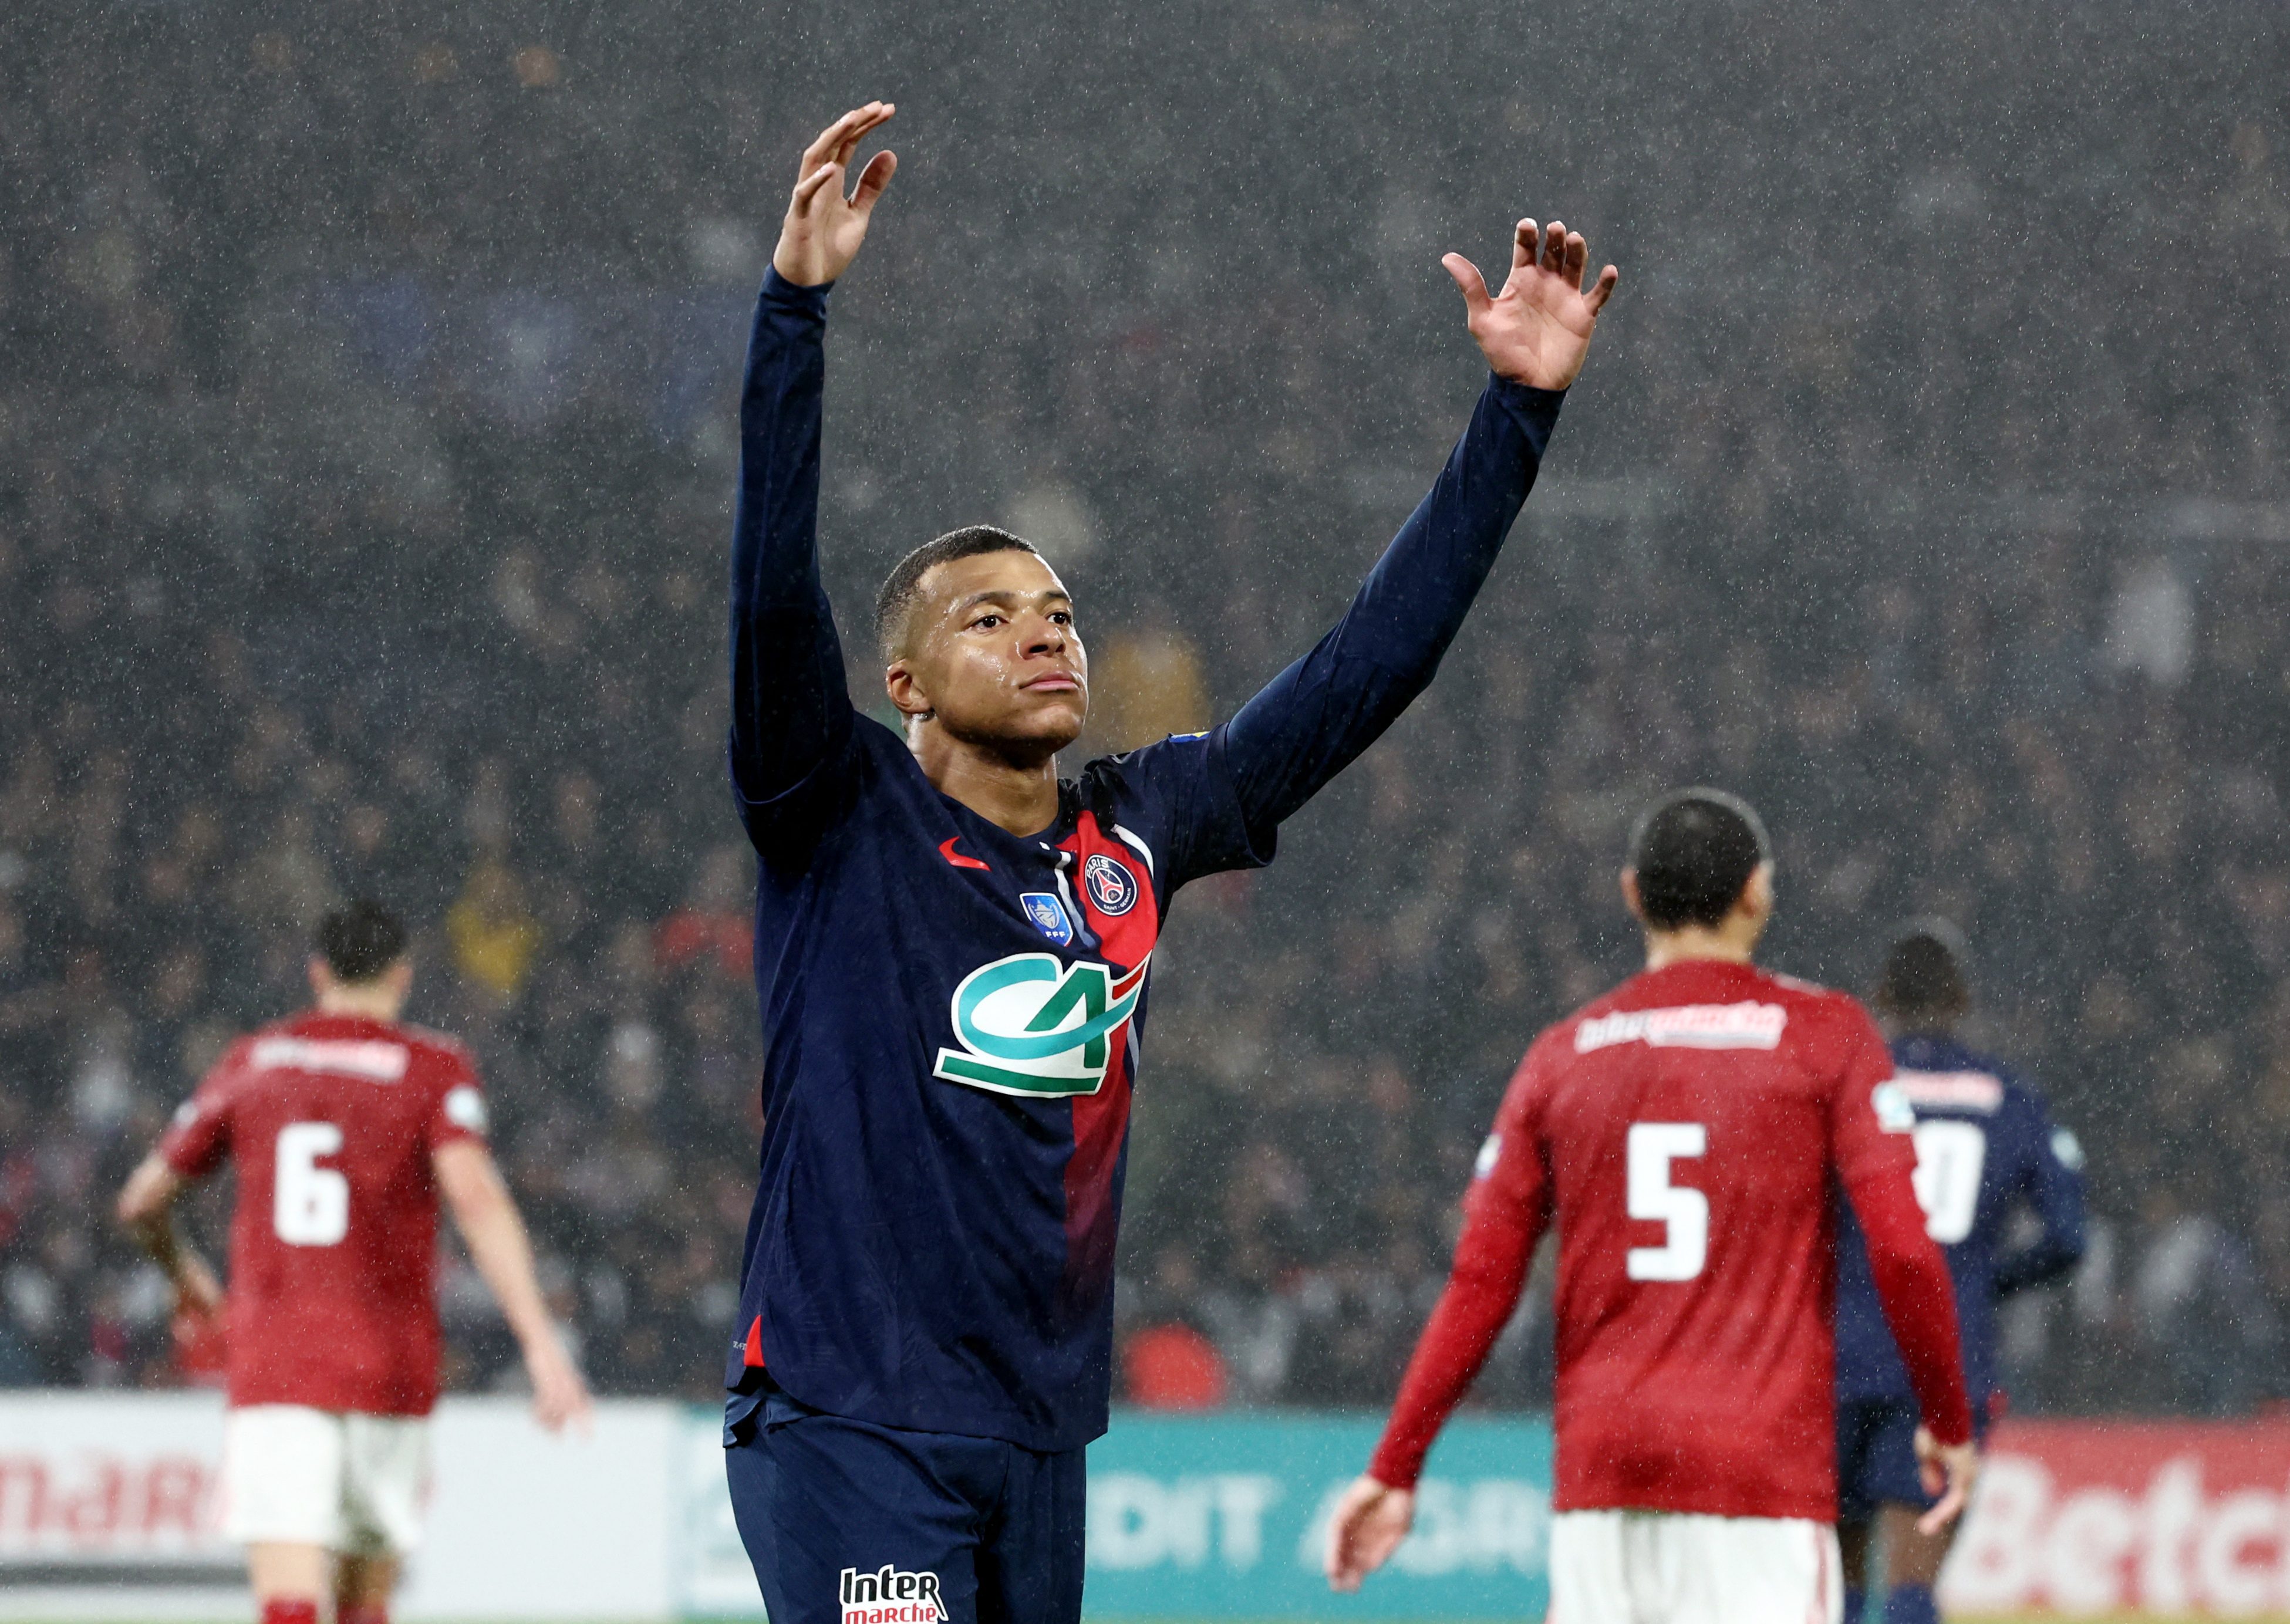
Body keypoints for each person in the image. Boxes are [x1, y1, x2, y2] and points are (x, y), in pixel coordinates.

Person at [722, 100, 1618, 1624]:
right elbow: (767, 585)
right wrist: (792, 310)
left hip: (1042, 1436)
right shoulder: (834, 799)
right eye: (989, 614)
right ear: (909, 685)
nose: (1044, 629)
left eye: (1057, 608)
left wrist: (1514, 417)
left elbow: (1359, 672)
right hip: (851, 1415)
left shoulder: (1132, 827)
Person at [1326, 790, 1977, 1624]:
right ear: (1757, 894)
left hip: (1607, 1472)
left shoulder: (1561, 1055)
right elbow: (1905, 1250)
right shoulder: (1828, 1036)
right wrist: (1946, 1417)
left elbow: (1482, 1282)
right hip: (1759, 1476)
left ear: (1632, 893)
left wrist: (1395, 1465)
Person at [116, 899, 591, 1624]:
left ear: (317, 973)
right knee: (364, 1609)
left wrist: (187, 1277)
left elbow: (142, 1201)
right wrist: (539, 1342)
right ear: (401, 976)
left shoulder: (256, 1060)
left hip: (278, 1361)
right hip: (388, 1365)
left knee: (289, 1604)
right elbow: (477, 1199)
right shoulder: (432, 1068)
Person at [1834, 921, 2086, 1624]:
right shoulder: (2008, 1094)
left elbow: (1796, 1207)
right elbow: (2068, 1235)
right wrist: (1985, 1281)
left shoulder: (1852, 1084)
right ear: (1963, 999)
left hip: (1843, 1352)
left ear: (1880, 996)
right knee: (1915, 1580)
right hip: (1946, 1356)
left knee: (1838, 1582)